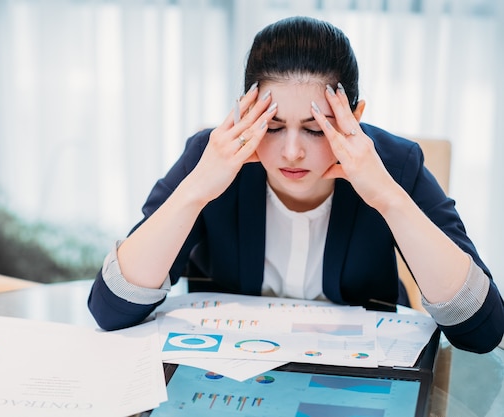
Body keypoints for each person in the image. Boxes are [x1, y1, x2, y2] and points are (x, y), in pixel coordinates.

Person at [88, 16, 504, 353]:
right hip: (228, 369)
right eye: (271, 126)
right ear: (245, 112)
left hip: (355, 377)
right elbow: (110, 310)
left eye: (315, 129)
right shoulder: (212, 157)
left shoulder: (393, 163)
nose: (290, 152)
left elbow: (482, 330)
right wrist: (196, 190)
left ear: (353, 116)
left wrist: (390, 198)